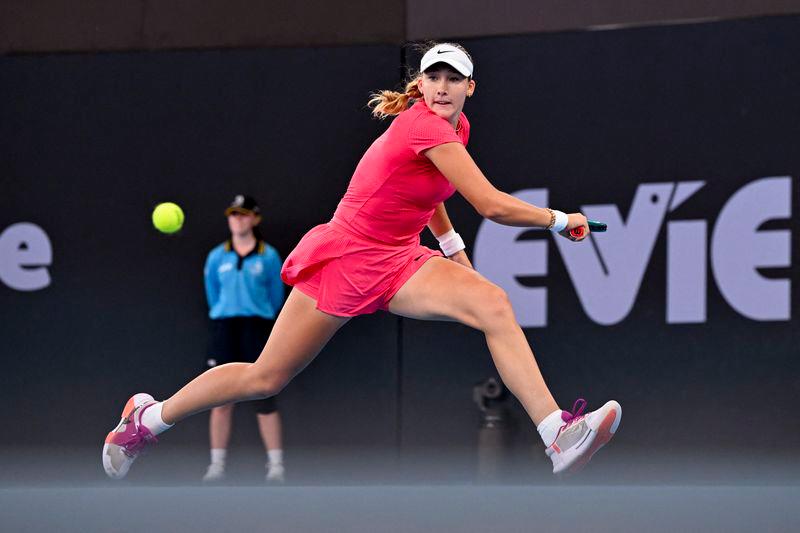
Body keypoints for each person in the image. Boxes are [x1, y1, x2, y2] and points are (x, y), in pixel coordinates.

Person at [102, 42, 622, 480]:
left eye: (453, 78)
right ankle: (148, 418)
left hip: (398, 258)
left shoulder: (455, 131)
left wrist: (455, 254)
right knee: (265, 378)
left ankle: (557, 435)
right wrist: (559, 219)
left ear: (470, 88)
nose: (442, 87)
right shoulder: (426, 126)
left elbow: (431, 195)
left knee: (493, 304)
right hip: (346, 256)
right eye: (432, 77)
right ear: (420, 86)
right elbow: (490, 204)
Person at [201, 195, 286, 483]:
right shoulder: (216, 256)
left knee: (265, 395)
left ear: (255, 219)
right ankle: (216, 466)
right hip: (225, 328)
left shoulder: (269, 256)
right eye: (234, 214)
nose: (238, 219)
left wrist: (260, 317)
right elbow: (213, 294)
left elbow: (276, 297)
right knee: (220, 399)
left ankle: (276, 467)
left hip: (257, 328)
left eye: (244, 214)